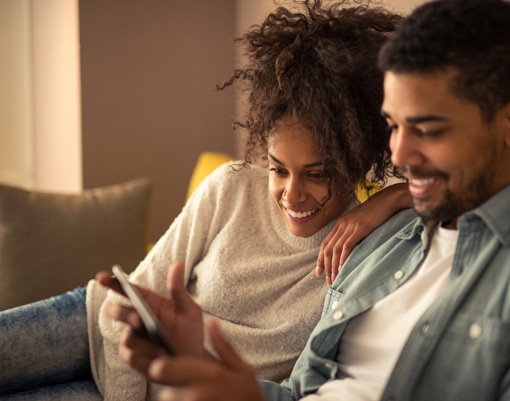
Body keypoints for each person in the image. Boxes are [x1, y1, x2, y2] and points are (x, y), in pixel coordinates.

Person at [104, 0, 510, 400]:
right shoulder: (392, 240)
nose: (399, 154)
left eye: (426, 128)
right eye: (395, 126)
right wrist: (205, 364)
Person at [0, 1, 408, 400]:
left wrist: (393, 196)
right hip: (95, 327)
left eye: (318, 174)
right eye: (278, 169)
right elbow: (131, 303)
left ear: (357, 161)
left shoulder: (365, 252)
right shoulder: (230, 187)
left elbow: (465, 196)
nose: (293, 194)